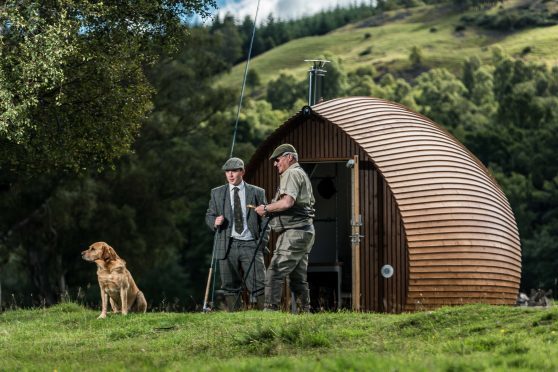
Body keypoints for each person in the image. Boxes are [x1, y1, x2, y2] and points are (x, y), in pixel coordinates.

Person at [255, 144, 315, 312]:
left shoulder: (291, 173)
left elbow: (287, 202)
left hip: (294, 233)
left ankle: (270, 311)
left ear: (289, 157)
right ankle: (305, 312)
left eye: (277, 159)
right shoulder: (300, 173)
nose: (275, 164)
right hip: (304, 231)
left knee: (274, 272)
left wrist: (266, 208)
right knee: (298, 278)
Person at [206, 157, 269, 311]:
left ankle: (267, 318)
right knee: (229, 286)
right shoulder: (217, 193)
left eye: (234, 171)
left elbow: (266, 221)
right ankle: (236, 319)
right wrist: (214, 221)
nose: (230, 175)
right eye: (227, 171)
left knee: (259, 284)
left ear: (242, 171)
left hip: (251, 244)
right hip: (227, 245)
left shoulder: (257, 192)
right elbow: (209, 215)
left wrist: (261, 244)